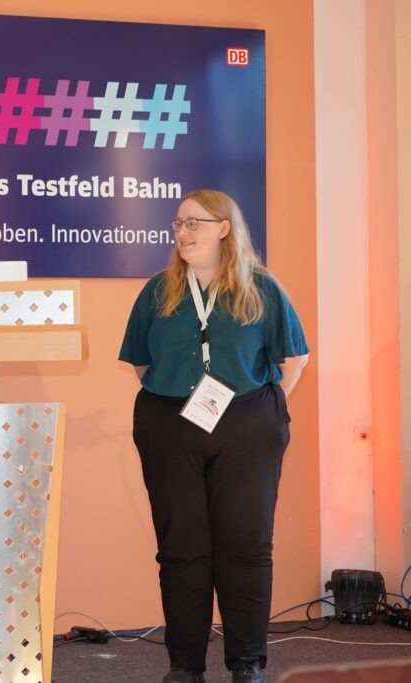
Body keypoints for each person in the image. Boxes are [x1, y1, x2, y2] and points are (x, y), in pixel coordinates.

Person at [119, 190, 308, 683]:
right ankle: (185, 666)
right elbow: (141, 362)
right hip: (170, 425)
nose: (182, 232)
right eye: (178, 224)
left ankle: (246, 663)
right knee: (181, 549)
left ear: (224, 227)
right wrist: (177, 403)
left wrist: (260, 410)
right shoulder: (159, 291)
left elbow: (296, 359)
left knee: (246, 548)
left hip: (248, 425)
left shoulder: (261, 289)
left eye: (193, 222)